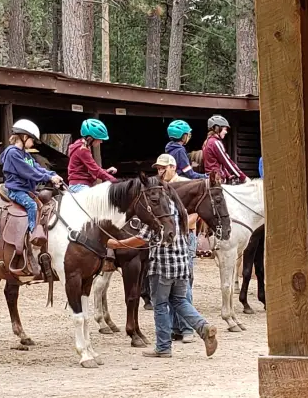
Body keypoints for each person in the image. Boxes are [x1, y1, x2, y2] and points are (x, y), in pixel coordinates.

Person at [107, 189, 218, 358]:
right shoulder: (181, 212)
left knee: (160, 306)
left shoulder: (158, 215)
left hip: (162, 268)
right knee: (180, 301)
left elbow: (141, 239)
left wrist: (117, 244)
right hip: (181, 266)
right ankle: (203, 327)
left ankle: (163, 347)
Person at [154, 154, 199, 343]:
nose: (160, 171)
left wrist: (175, 228)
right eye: (158, 168)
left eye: (164, 167)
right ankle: (175, 327)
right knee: (170, 282)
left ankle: (187, 328)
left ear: (173, 167)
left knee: (184, 282)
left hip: (184, 236)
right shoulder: (158, 187)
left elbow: (196, 212)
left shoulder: (186, 185)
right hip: (168, 236)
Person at [0, 118, 64, 241]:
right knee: (31, 206)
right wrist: (48, 177)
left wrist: (52, 174)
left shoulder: (26, 155)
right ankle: (32, 234)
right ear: (24, 137)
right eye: (32, 139)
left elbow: (37, 168)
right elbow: (28, 172)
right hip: (17, 190)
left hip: (27, 190)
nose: (33, 143)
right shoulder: (13, 153)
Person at [67, 118, 118, 192]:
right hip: (79, 186)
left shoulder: (84, 146)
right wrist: (116, 181)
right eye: (99, 139)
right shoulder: (82, 150)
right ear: (90, 139)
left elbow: (90, 169)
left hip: (82, 184)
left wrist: (106, 171)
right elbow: (96, 171)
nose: (101, 141)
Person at [202, 115, 248, 184]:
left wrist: (228, 175)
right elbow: (227, 162)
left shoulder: (207, 142)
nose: (226, 132)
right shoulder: (215, 142)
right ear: (217, 128)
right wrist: (243, 177)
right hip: (217, 181)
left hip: (212, 179)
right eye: (225, 129)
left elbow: (217, 163)